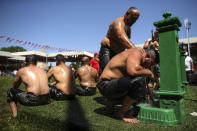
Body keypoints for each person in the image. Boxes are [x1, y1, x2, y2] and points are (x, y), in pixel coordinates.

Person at [97, 48, 155, 123]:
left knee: (141, 97)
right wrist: (149, 72)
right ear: (147, 56)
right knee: (139, 81)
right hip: (105, 84)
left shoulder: (138, 60)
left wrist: (152, 101)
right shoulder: (136, 53)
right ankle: (121, 113)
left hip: (113, 84)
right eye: (150, 63)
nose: (149, 66)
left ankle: (111, 102)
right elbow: (132, 71)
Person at [99, 7, 140, 75]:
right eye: (133, 18)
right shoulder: (119, 22)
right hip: (108, 51)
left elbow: (127, 42)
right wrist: (135, 50)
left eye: (136, 19)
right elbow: (121, 36)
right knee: (107, 73)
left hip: (118, 53)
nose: (134, 21)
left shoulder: (129, 28)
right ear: (127, 14)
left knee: (119, 74)